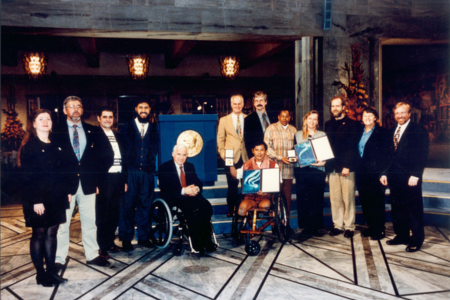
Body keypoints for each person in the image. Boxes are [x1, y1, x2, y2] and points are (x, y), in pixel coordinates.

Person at [53, 96, 109, 268]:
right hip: (65, 187)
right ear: (65, 110)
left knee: (90, 221)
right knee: (63, 224)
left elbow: (107, 155)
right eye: (71, 107)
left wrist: (97, 179)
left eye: (79, 106)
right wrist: (59, 184)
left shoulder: (93, 130)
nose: (75, 109)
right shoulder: (55, 131)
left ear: (82, 110)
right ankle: (59, 258)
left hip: (88, 184)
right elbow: (52, 160)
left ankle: (92, 254)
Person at [18, 109, 71, 287]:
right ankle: (41, 275)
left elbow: (63, 171)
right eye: (41, 119)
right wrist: (36, 200)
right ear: (33, 124)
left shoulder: (57, 144)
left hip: (56, 196)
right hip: (37, 198)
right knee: (39, 234)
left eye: (48, 118)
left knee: (52, 233)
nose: (45, 121)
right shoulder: (29, 147)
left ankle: (51, 272)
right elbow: (27, 177)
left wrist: (67, 191)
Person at [381, 102, 429, 252]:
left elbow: (422, 154)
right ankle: (402, 235)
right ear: (394, 115)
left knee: (413, 209)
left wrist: (416, 174)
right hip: (395, 177)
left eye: (403, 113)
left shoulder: (418, 129)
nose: (400, 116)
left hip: (411, 177)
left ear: (409, 114)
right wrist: (384, 173)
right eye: (397, 113)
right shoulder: (391, 131)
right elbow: (388, 156)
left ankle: (416, 239)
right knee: (398, 208)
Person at [158, 144, 216, 253]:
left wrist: (196, 189)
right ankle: (197, 243)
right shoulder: (165, 168)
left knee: (205, 206)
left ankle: (207, 241)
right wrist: (184, 191)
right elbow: (166, 189)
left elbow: (197, 181)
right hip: (175, 199)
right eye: (179, 154)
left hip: (191, 198)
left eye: (184, 155)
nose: (181, 157)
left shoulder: (190, 166)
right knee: (193, 210)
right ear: (173, 154)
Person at [119, 100, 159, 251]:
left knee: (145, 205)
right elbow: (122, 152)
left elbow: (154, 149)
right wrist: (124, 176)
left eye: (146, 108)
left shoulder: (154, 127)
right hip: (131, 171)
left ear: (149, 110)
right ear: (136, 109)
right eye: (140, 107)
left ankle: (143, 237)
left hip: (147, 173)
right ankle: (126, 238)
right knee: (127, 205)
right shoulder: (127, 127)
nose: (143, 110)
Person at [93, 107, 128, 258]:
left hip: (118, 178)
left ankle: (110, 243)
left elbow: (124, 159)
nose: (108, 119)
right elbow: (91, 161)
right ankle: (101, 247)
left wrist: (124, 180)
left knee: (114, 213)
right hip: (104, 180)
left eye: (110, 117)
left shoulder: (118, 136)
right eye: (105, 117)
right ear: (98, 118)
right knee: (103, 214)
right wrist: (94, 183)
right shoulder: (94, 136)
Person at [324, 96, 360, 238]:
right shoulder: (328, 124)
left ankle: (349, 226)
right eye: (333, 106)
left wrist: (348, 165)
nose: (335, 109)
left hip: (346, 167)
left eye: (337, 106)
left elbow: (353, 147)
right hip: (332, 167)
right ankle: (338, 225)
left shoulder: (353, 124)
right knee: (335, 198)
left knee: (348, 198)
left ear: (344, 107)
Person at [356, 107, 392, 240]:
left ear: (376, 118)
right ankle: (371, 227)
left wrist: (384, 173)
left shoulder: (383, 132)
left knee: (376, 202)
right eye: (365, 116)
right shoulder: (359, 132)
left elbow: (388, 155)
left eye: (370, 116)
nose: (367, 118)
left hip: (376, 173)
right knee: (365, 201)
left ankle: (379, 230)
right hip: (362, 173)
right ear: (362, 118)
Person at [294, 110, 327, 235]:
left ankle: (316, 227)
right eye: (310, 119)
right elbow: (295, 152)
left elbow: (325, 153)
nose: (312, 121)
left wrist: (322, 161)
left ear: (317, 122)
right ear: (305, 120)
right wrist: (295, 157)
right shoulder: (298, 135)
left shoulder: (322, 134)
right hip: (302, 171)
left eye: (315, 119)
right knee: (303, 199)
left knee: (317, 198)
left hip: (317, 170)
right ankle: (306, 227)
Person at [217, 94, 248, 216]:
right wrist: (224, 155)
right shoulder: (224, 120)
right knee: (232, 186)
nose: (237, 106)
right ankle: (232, 209)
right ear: (231, 105)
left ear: (243, 104)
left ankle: (245, 209)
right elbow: (220, 140)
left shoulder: (248, 118)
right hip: (231, 158)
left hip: (245, 156)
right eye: (235, 104)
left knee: (246, 185)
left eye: (239, 103)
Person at [264, 110, 296, 220]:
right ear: (279, 117)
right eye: (282, 116)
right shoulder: (271, 128)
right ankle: (274, 224)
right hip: (274, 168)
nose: (285, 118)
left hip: (288, 169)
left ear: (290, 117)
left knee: (287, 197)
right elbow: (266, 148)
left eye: (287, 116)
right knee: (274, 197)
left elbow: (297, 147)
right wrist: (279, 157)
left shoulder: (293, 130)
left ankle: (286, 223)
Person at [232, 142, 279, 217]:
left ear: (265, 151)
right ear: (253, 151)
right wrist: (231, 164)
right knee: (241, 209)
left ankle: (272, 225)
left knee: (266, 205)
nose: (259, 153)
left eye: (261, 150)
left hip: (265, 197)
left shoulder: (274, 165)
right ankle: (245, 227)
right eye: (257, 150)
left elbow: (278, 184)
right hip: (249, 198)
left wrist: (266, 192)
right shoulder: (246, 165)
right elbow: (235, 175)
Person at [244, 91, 276, 159]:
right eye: (256, 101)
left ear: (265, 102)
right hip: (258, 157)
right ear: (254, 103)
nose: (259, 103)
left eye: (261, 100)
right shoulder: (248, 119)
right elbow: (248, 143)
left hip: (275, 155)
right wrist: (253, 159)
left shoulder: (274, 117)